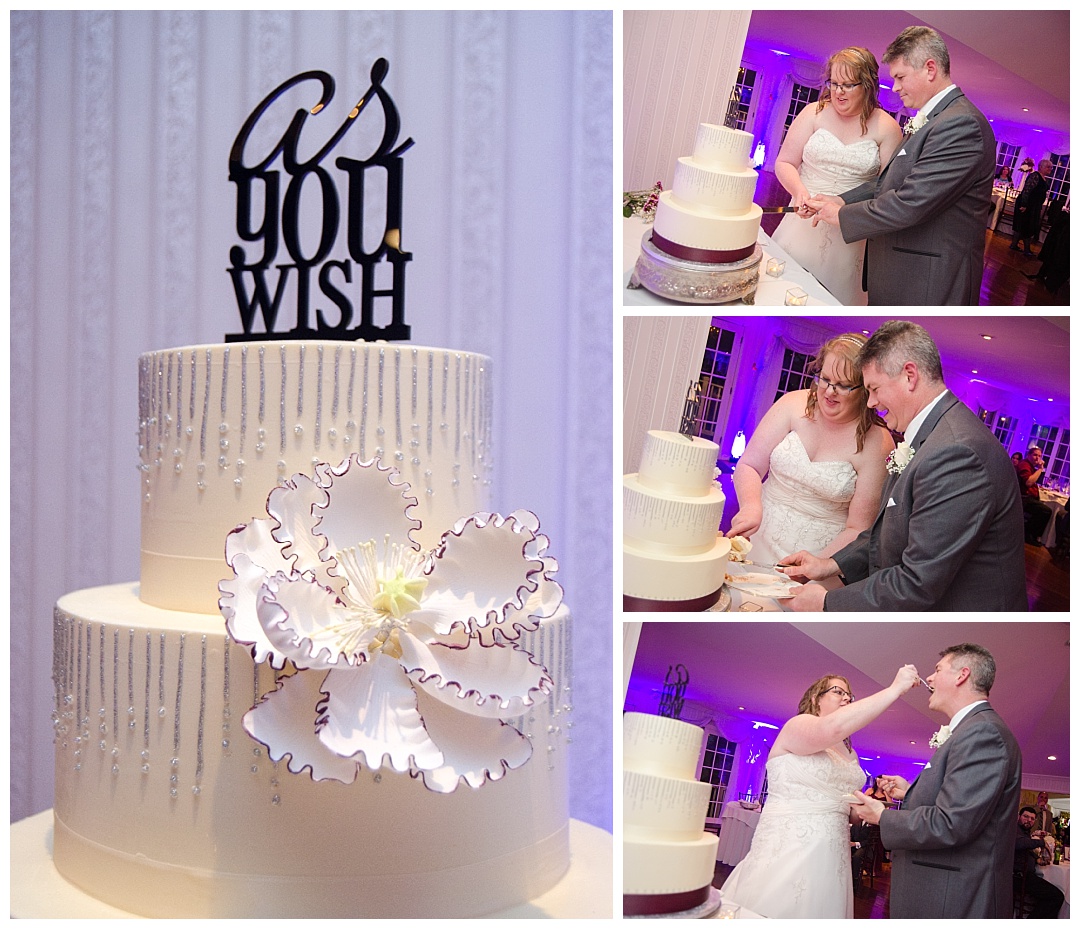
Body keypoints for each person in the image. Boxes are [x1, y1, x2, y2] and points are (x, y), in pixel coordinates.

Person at [780, 320, 1027, 611]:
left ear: (909, 376)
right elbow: (889, 530)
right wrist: (830, 564)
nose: (870, 402)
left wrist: (827, 601)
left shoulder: (957, 453)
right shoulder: (932, 436)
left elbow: (917, 581)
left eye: (874, 388)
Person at [803, 26, 995, 305]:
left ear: (930, 69)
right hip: (904, 273)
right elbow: (889, 182)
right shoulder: (935, 119)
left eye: (900, 77)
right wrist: (841, 200)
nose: (895, 87)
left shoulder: (961, 124)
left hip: (928, 281)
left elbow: (911, 202)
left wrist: (841, 216)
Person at [720, 667, 920, 918]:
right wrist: (894, 690)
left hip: (832, 852)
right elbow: (832, 729)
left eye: (850, 695)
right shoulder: (799, 725)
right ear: (816, 698)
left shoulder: (850, 752)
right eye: (838, 692)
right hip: (790, 846)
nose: (847, 698)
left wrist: (865, 809)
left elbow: (844, 809)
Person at [849, 644, 1022, 919]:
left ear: (962, 675)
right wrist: (909, 793)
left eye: (938, 670)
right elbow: (957, 803)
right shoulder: (970, 730)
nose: (928, 678)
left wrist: (882, 816)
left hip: (953, 896)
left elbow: (952, 823)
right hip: (939, 890)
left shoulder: (983, 733)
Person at [725, 333, 893, 566]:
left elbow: (858, 528)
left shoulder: (878, 443)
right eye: (824, 379)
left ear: (865, 389)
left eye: (843, 386)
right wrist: (751, 506)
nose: (829, 391)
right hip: (757, 535)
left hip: (818, 556)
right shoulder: (792, 404)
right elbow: (750, 465)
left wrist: (813, 566)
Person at [769, 47, 902, 306]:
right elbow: (784, 162)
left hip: (849, 233)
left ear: (867, 85)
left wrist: (844, 203)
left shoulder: (887, 127)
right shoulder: (812, 113)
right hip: (801, 222)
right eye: (834, 83)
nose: (838, 92)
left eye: (848, 85)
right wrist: (798, 191)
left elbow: (887, 187)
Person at [1015, 806, 1065, 918]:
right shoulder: (1014, 829)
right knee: (1056, 896)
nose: (1029, 820)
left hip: (1026, 875)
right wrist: (1041, 843)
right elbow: (1019, 844)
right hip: (1018, 877)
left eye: (1032, 819)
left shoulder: (1025, 832)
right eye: (1025, 816)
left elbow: (1024, 849)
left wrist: (1036, 859)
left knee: (1054, 893)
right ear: (1019, 816)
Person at [1010, 158, 1050, 255]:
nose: (1050, 169)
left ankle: (1014, 245)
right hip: (1027, 204)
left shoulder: (1043, 178)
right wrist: (1024, 205)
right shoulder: (1035, 176)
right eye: (1048, 167)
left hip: (1033, 205)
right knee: (1025, 225)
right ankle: (1026, 250)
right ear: (1041, 167)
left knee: (1024, 225)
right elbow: (1027, 190)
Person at [1017, 444, 1053, 544]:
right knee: (1046, 511)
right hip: (1023, 498)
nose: (1038, 458)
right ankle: (1029, 535)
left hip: (1028, 497)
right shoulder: (1024, 465)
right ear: (1028, 455)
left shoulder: (1030, 466)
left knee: (1042, 507)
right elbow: (1028, 482)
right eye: (1035, 455)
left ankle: (1028, 533)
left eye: (1039, 456)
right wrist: (1040, 469)